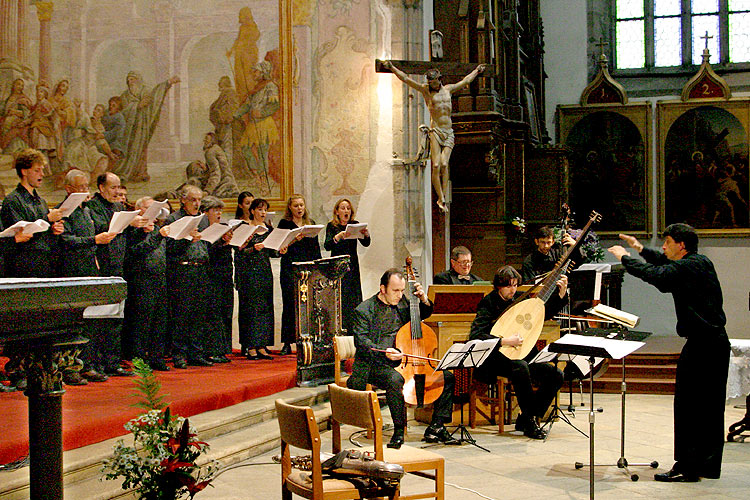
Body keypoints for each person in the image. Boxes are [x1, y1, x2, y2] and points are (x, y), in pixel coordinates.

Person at [608, 224, 729, 482]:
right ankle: (705, 465)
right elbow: (664, 263)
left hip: (702, 346)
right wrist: (640, 249)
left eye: (667, 241)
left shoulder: (687, 267)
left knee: (689, 407)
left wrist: (625, 258)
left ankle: (687, 467)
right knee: (709, 408)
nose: (663, 246)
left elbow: (658, 274)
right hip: (715, 344)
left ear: (681, 245)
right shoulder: (699, 262)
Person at [348, 268, 458, 448]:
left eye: (402, 290)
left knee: (447, 377)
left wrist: (423, 299)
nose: (400, 295)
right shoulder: (364, 310)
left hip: (403, 361)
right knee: (395, 379)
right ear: (382, 289)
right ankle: (399, 430)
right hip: (374, 363)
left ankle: (436, 427)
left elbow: (422, 314)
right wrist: (386, 350)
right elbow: (362, 342)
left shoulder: (402, 304)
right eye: (395, 291)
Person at [468, 265, 567, 439]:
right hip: (495, 359)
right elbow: (476, 335)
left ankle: (527, 416)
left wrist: (561, 294)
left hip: (521, 355)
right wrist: (504, 341)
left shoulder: (519, 301)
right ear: (499, 285)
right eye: (508, 286)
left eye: (515, 285)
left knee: (556, 374)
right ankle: (529, 422)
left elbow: (541, 314)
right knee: (521, 367)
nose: (512, 290)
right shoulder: (488, 303)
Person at [383, 61, 485, 212]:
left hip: (448, 132)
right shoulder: (426, 91)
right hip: (436, 131)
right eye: (430, 82)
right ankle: (441, 199)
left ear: (439, 79)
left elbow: (465, 81)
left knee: (444, 164)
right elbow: (406, 79)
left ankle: (443, 197)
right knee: (436, 165)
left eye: (434, 82)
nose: (432, 85)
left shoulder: (448, 90)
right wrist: (391, 67)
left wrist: (477, 71)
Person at [58, 169, 115, 384]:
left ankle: (88, 364)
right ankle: (70, 368)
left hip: (90, 267)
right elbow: (66, 240)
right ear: (69, 189)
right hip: (72, 271)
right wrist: (94, 240)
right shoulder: (64, 211)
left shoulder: (86, 210)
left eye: (86, 187)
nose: (85, 191)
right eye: (80, 187)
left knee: (90, 320)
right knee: (73, 322)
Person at [86, 172, 137, 377]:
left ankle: (112, 362)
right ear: (101, 187)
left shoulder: (118, 206)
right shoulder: (92, 207)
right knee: (98, 318)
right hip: (100, 267)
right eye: (113, 187)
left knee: (115, 318)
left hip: (118, 267)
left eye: (119, 187)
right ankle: (94, 363)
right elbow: (98, 230)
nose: (118, 192)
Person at [165, 185, 221, 368]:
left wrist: (220, 240)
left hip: (202, 270)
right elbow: (170, 249)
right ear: (183, 200)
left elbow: (206, 246)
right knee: (182, 314)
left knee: (199, 314)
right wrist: (187, 239)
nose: (197, 204)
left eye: (199, 200)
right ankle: (179, 354)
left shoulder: (202, 220)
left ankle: (197, 352)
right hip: (182, 271)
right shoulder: (173, 219)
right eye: (193, 200)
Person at [123, 196, 171, 371]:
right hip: (142, 279)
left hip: (160, 278)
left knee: (160, 320)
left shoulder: (157, 229)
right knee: (142, 321)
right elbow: (136, 252)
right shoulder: (134, 232)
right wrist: (156, 236)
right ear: (139, 211)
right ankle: (139, 359)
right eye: (149, 208)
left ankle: (157, 357)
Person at [277, 194, 322, 355]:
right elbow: (279, 247)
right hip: (290, 268)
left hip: (308, 269)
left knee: (309, 305)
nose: (299, 209)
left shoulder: (310, 224)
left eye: (301, 205)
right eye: (296, 206)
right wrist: (294, 240)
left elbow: (315, 248)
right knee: (290, 305)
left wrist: (319, 266)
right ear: (290, 207)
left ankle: (307, 340)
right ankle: (287, 342)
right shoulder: (284, 224)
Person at [115, 71, 180, 182]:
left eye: (133, 79)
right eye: (129, 80)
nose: (130, 82)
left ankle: (140, 173)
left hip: (142, 127)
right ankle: (126, 173)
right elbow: (121, 112)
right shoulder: (125, 95)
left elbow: (156, 95)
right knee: (129, 150)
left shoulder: (145, 92)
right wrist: (137, 106)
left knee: (141, 150)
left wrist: (168, 83)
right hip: (128, 131)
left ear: (138, 80)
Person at [235, 197, 276, 360]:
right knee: (250, 308)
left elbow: (273, 252)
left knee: (265, 307)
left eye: (265, 209)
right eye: (260, 209)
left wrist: (281, 249)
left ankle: (262, 344)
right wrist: (253, 249)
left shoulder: (268, 228)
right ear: (252, 211)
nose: (263, 212)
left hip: (264, 271)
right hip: (249, 273)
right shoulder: (245, 228)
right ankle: (250, 345)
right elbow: (239, 252)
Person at [324, 198, 371, 333]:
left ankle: (352, 330)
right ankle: (339, 328)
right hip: (338, 266)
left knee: (353, 295)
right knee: (340, 296)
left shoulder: (354, 224)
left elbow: (366, 244)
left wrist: (366, 235)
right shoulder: (332, 226)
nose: (346, 211)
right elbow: (327, 246)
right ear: (337, 212)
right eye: (343, 208)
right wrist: (338, 237)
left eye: (348, 208)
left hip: (352, 265)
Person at [201, 196, 233, 362]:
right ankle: (212, 349)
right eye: (215, 210)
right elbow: (207, 253)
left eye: (220, 209)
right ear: (205, 213)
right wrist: (221, 242)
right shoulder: (204, 229)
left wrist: (230, 242)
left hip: (225, 274)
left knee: (225, 311)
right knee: (213, 314)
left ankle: (223, 348)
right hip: (210, 275)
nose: (219, 213)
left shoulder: (223, 227)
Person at [208, 75, 240, 168]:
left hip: (228, 125)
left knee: (227, 148)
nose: (219, 84)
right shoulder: (225, 93)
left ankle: (227, 170)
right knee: (223, 147)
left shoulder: (229, 92)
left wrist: (223, 117)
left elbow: (232, 109)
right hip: (222, 125)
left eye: (220, 83)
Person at [202, 132, 239, 197]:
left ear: (212, 141)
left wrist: (207, 191)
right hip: (230, 183)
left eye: (206, 139)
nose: (204, 141)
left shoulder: (210, 152)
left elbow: (216, 173)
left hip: (223, 187)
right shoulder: (217, 148)